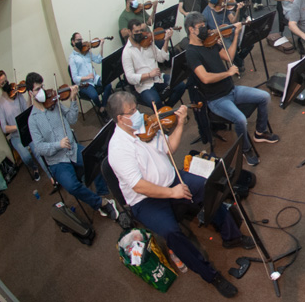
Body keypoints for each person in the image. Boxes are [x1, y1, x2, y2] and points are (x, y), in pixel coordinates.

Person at [106, 91, 248, 299]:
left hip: (172, 179)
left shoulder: (145, 126)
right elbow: (139, 186)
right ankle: (211, 275)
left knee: (210, 188)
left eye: (136, 107)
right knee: (172, 233)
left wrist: (180, 123)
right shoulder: (117, 149)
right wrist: (172, 192)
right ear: (120, 118)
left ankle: (232, 236)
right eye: (133, 111)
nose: (139, 113)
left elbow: (170, 147)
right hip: (147, 200)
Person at [184, 12, 277, 167]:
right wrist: (227, 73)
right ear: (191, 30)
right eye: (201, 27)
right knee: (240, 119)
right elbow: (205, 78)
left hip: (231, 89)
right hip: (216, 99)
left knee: (264, 97)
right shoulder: (192, 52)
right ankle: (245, 149)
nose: (206, 29)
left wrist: (236, 35)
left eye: (205, 26)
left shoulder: (210, 41)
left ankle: (260, 133)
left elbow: (229, 56)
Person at [26, 72, 119, 219]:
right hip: (57, 161)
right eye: (37, 89)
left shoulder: (54, 104)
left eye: (42, 87)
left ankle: (103, 192)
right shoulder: (32, 120)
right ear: (31, 93)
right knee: (71, 186)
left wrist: (73, 99)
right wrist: (58, 144)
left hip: (72, 149)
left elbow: (72, 118)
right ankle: (101, 203)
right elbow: (39, 148)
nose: (42, 92)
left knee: (97, 159)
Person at [122, 20, 186, 108]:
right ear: (129, 32)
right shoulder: (127, 52)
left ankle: (167, 108)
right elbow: (130, 78)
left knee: (181, 85)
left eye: (141, 30)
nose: (140, 33)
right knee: (155, 102)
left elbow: (161, 58)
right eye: (136, 32)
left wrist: (166, 40)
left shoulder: (148, 42)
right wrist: (149, 75)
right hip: (144, 85)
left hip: (158, 78)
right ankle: (164, 112)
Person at [0, 70, 44, 180]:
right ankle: (34, 168)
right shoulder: (1, 105)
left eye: (6, 80)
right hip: (16, 137)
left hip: (27, 130)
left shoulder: (17, 94)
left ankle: (50, 172)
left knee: (37, 151)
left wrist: (29, 97)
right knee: (26, 157)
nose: (6, 84)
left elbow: (27, 109)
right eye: (3, 83)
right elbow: (4, 128)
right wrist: (17, 127)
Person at [202, 0, 253, 71]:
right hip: (222, 36)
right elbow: (206, 31)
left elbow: (233, 21)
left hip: (233, 30)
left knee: (250, 41)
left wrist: (237, 10)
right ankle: (238, 62)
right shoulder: (205, 13)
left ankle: (238, 61)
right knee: (231, 53)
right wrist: (215, 31)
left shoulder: (223, 5)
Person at [68, 32, 112, 122]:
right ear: (73, 42)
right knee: (94, 95)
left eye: (81, 39)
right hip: (85, 83)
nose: (81, 42)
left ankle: (102, 107)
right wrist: (87, 77)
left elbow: (99, 60)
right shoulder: (72, 58)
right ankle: (102, 108)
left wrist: (101, 46)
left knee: (108, 84)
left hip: (94, 78)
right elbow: (75, 79)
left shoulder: (86, 52)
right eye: (78, 40)